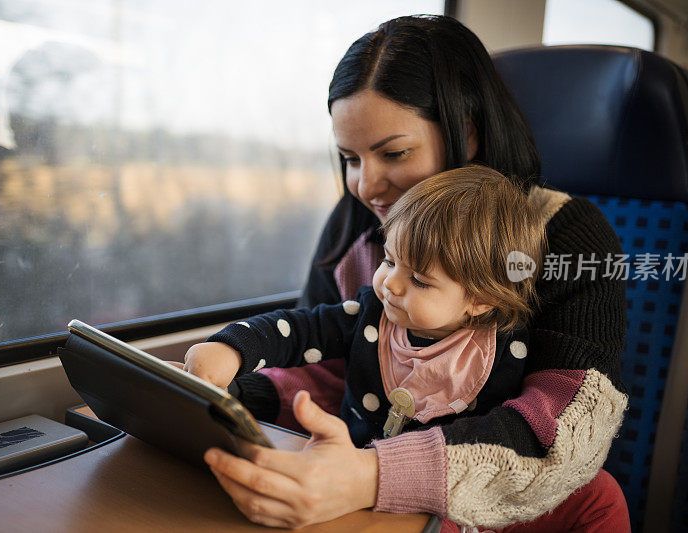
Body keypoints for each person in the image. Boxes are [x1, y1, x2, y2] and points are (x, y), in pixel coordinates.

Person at [197, 14, 630, 531]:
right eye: (349, 158)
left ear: (465, 134)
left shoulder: (565, 236)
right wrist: (237, 397)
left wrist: (370, 474)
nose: (364, 185)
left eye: (394, 153)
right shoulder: (358, 228)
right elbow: (330, 363)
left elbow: (566, 429)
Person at [185, 166, 541, 454]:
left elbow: (493, 447)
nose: (390, 284)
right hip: (348, 468)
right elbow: (296, 331)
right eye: (389, 260)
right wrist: (231, 349)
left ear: (481, 300)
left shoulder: (504, 352)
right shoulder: (370, 314)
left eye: (418, 279)